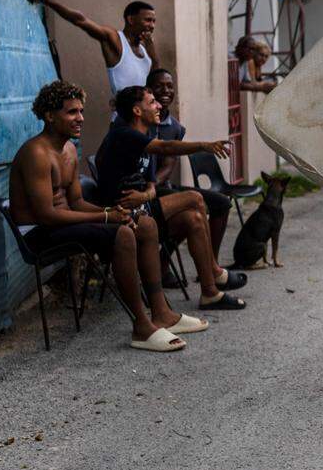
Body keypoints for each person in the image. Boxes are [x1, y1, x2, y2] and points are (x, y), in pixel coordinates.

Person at [9, 80, 208, 352]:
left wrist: (113, 212)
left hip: (61, 220)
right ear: (49, 116)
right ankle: (141, 326)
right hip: (39, 232)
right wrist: (105, 217)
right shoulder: (36, 153)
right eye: (71, 112)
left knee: (144, 224)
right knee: (123, 233)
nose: (80, 118)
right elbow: (46, 215)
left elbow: (77, 202)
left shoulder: (68, 149)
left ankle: (162, 313)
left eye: (81, 111)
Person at [95, 85, 248, 310]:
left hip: (142, 207)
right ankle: (214, 272)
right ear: (137, 111)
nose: (158, 106)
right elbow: (166, 147)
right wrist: (205, 145)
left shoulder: (145, 135)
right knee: (195, 198)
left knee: (193, 219)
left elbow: (151, 185)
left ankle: (210, 293)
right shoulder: (124, 134)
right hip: (125, 215)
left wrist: (145, 194)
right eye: (152, 102)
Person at [145, 68, 233, 261]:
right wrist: (147, 187)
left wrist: (153, 183)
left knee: (222, 203)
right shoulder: (141, 121)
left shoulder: (175, 127)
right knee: (189, 211)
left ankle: (212, 263)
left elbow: (168, 165)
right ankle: (164, 265)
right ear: (148, 90)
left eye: (170, 86)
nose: (166, 91)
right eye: (159, 87)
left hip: (160, 186)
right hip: (144, 192)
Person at [42, 0, 158, 98]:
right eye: (148, 20)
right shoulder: (116, 39)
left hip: (144, 119)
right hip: (124, 120)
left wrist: (151, 49)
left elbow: (155, 80)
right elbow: (79, 19)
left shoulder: (145, 48)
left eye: (154, 21)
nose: (152, 26)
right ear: (131, 19)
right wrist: (48, 1)